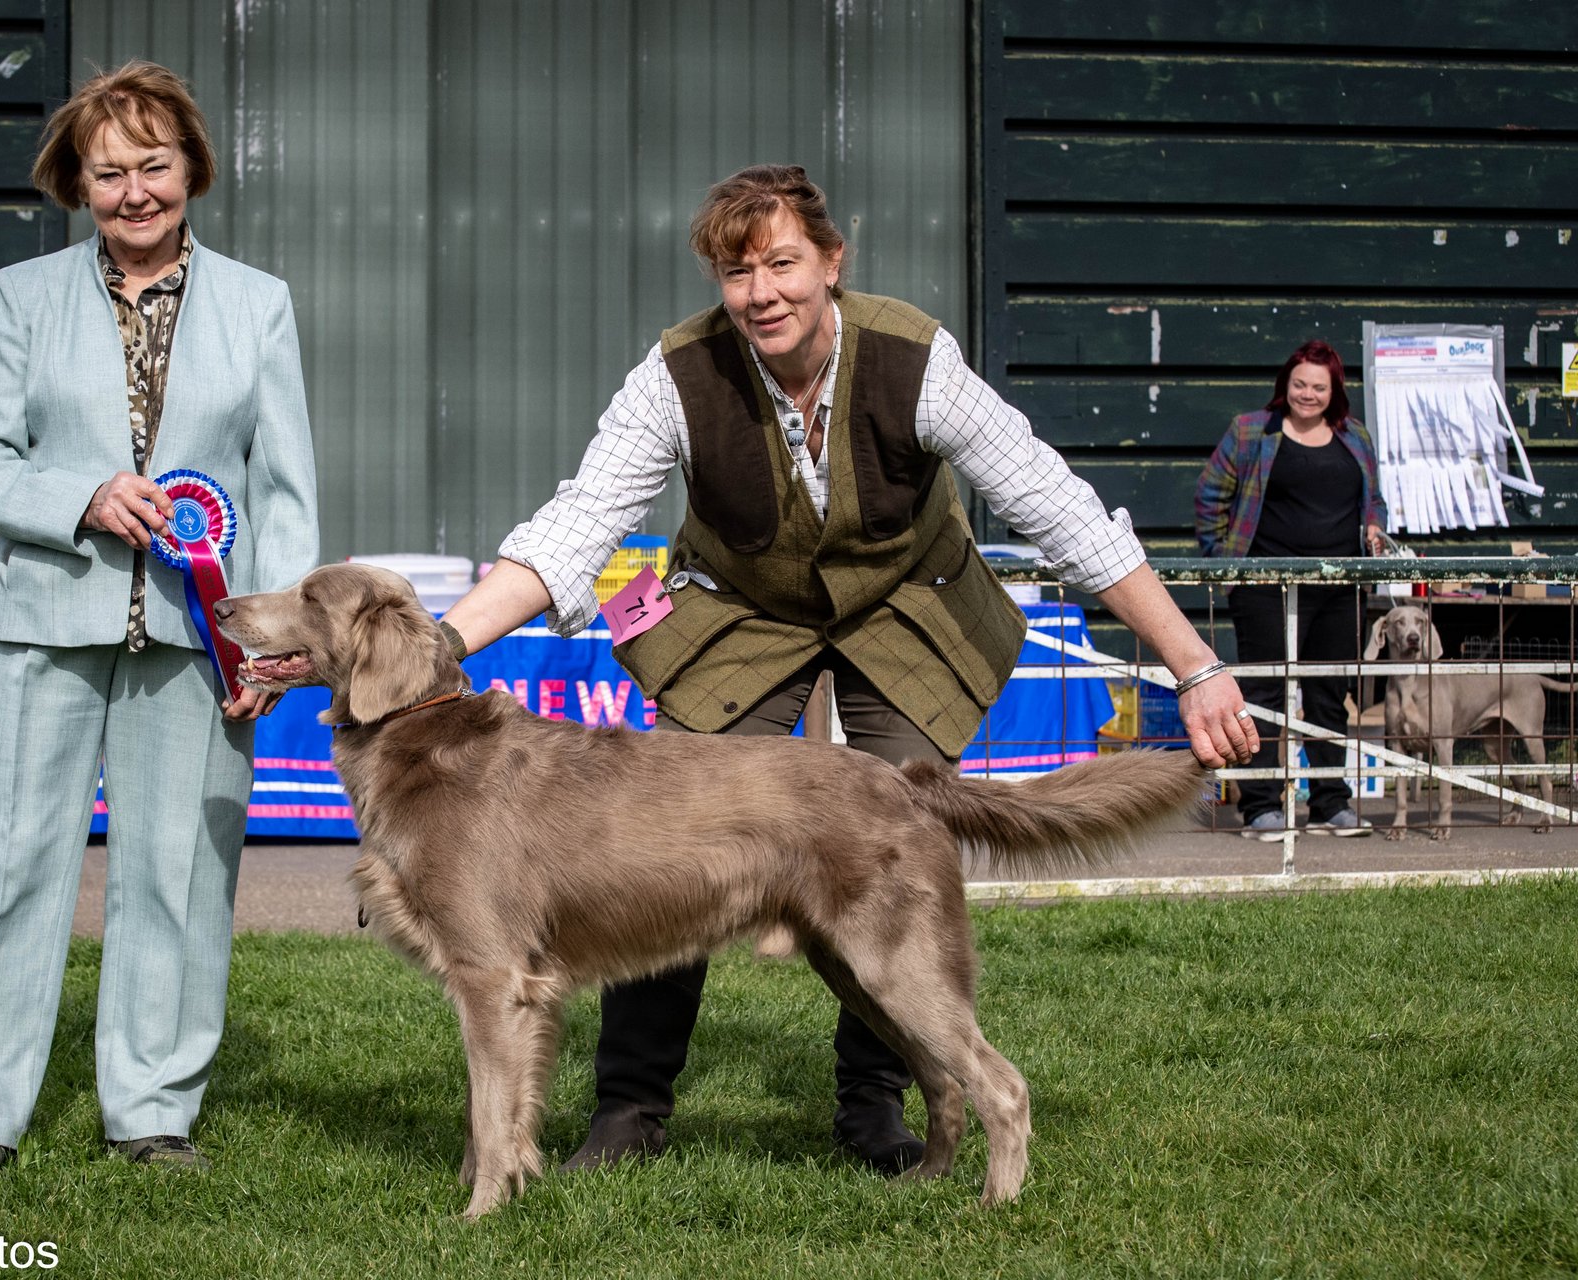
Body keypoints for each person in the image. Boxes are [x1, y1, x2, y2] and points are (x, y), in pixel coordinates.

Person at [438, 164, 1257, 1176]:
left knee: (879, 854)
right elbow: (577, 525)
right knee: (656, 828)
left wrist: (1193, 662)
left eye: (783, 262)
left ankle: (875, 1104)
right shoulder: (677, 375)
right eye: (738, 273)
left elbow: (1055, 504)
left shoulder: (917, 360)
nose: (761, 292)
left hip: (905, 604)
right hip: (737, 607)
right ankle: (629, 1109)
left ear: (831, 262)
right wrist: (445, 643)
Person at [0, 61, 318, 1175]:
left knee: (180, 869)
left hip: (202, 641)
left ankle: (152, 1108)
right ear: (77, 183)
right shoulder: (19, 296)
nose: (134, 191)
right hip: (41, 621)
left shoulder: (260, 303)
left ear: (192, 165)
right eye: (109, 172)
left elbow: (283, 488)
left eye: (154, 165)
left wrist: (272, 635)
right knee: (9, 863)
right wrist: (82, 496)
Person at [1196, 339, 1387, 841]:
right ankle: (1261, 806)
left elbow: (1375, 501)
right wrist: (1226, 564)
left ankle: (1331, 805)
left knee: (1328, 692)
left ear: (1334, 391)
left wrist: (1373, 530)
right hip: (1264, 586)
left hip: (1338, 587)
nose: (1307, 394)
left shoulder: (1355, 436)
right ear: (1286, 384)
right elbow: (1210, 494)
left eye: (1318, 387)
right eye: (1299, 384)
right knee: (1265, 693)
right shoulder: (1251, 431)